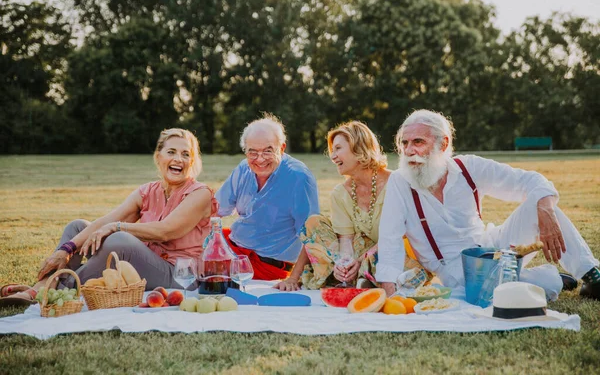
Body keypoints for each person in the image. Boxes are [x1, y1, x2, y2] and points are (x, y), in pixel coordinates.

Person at [376, 109, 600, 300]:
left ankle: (592, 276)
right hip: (458, 274)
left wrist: (546, 210)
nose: (409, 151)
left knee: (538, 202)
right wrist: (389, 291)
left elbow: (533, 181)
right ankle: (541, 279)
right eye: (404, 143)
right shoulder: (400, 181)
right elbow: (390, 238)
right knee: (547, 284)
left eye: (418, 142)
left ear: (442, 144)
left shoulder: (468, 168)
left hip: (492, 247)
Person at [0, 128, 218, 307]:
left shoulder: (200, 194)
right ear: (158, 157)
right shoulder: (148, 191)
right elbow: (104, 221)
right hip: (147, 266)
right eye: (171, 152)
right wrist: (65, 250)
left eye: (186, 154)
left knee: (118, 240)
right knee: (77, 228)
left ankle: (43, 291)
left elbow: (166, 230)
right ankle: (44, 287)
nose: (178, 159)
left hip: (179, 276)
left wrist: (117, 227)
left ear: (193, 162)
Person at [275, 121, 424, 291]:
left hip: (395, 254)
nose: (333, 156)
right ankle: (353, 277)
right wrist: (344, 262)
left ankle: (364, 277)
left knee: (401, 264)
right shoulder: (340, 193)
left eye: (338, 148)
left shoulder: (397, 182)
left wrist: (361, 260)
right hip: (362, 254)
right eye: (332, 150)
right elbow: (346, 240)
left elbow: (403, 234)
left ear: (358, 148)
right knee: (314, 223)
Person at [216, 113, 320, 281]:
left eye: (268, 151)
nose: (260, 159)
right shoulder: (244, 168)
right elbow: (214, 209)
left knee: (197, 278)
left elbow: (312, 236)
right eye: (252, 152)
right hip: (232, 247)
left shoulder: (299, 177)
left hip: (267, 266)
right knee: (181, 258)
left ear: (282, 148)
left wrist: (293, 279)